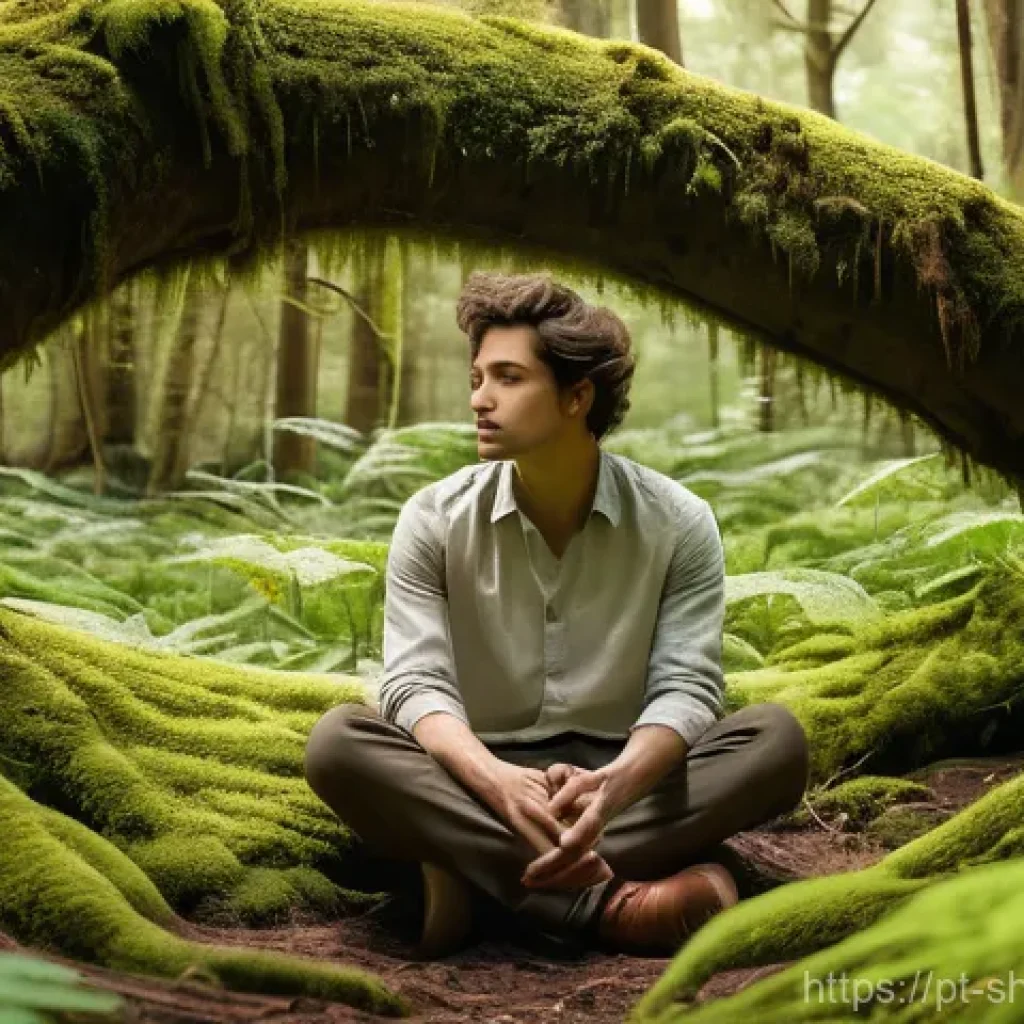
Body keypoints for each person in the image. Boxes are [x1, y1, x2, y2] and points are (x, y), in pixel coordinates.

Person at [305, 271, 810, 958]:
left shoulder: (679, 522)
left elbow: (688, 687)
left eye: (508, 378)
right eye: (477, 378)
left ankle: (475, 879)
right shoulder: (434, 519)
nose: (479, 399)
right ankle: (607, 905)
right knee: (338, 745)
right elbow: (414, 684)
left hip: (625, 772)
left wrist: (614, 787)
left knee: (776, 743)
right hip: (473, 774)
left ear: (577, 396)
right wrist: (495, 781)